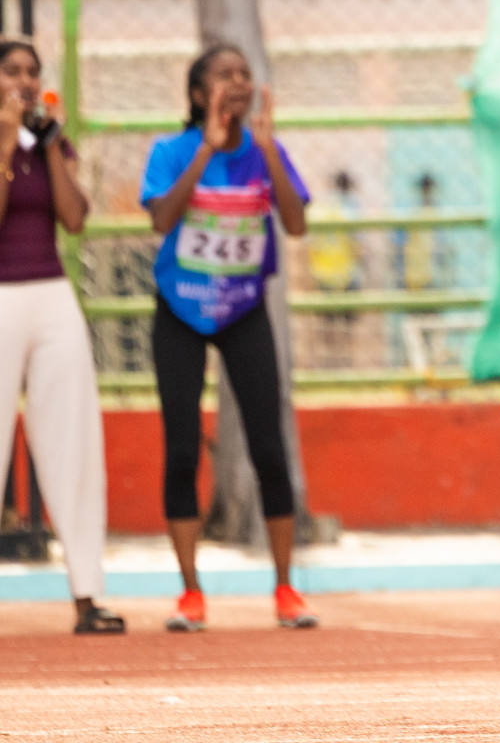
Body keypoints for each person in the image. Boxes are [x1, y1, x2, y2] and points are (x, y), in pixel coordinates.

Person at [139, 44, 319, 632]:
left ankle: (287, 588)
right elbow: (162, 220)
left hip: (243, 309)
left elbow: (294, 225)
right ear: (198, 94)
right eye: (223, 75)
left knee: (269, 447)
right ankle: (191, 594)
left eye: (245, 73)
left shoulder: (266, 150)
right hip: (181, 310)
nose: (238, 82)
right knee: (183, 449)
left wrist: (266, 152)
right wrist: (207, 153)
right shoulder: (172, 151)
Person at [0, 38, 124, 635]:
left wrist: (49, 145)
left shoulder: (48, 141)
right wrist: (4, 139)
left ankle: (86, 594)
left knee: (74, 441)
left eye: (32, 72)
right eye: (11, 72)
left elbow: (75, 219)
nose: (24, 80)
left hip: (51, 295)